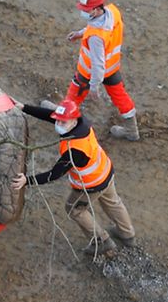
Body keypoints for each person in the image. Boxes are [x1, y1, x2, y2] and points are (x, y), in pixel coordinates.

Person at [11, 99, 136, 257]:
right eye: (59, 120)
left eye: (63, 122)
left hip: (91, 184)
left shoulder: (74, 149)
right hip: (106, 172)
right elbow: (51, 116)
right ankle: (127, 235)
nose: (59, 124)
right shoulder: (81, 122)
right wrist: (24, 107)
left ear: (73, 120)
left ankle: (102, 241)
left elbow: (54, 174)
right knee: (113, 201)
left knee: (74, 209)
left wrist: (27, 181)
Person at [65, 0, 140, 141]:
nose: (83, 12)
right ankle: (132, 130)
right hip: (112, 67)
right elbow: (95, 25)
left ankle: (64, 117)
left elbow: (98, 65)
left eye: (86, 9)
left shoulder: (95, 38)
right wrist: (80, 34)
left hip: (88, 73)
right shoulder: (112, 12)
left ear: (97, 9)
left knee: (73, 97)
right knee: (120, 96)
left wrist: (94, 86)